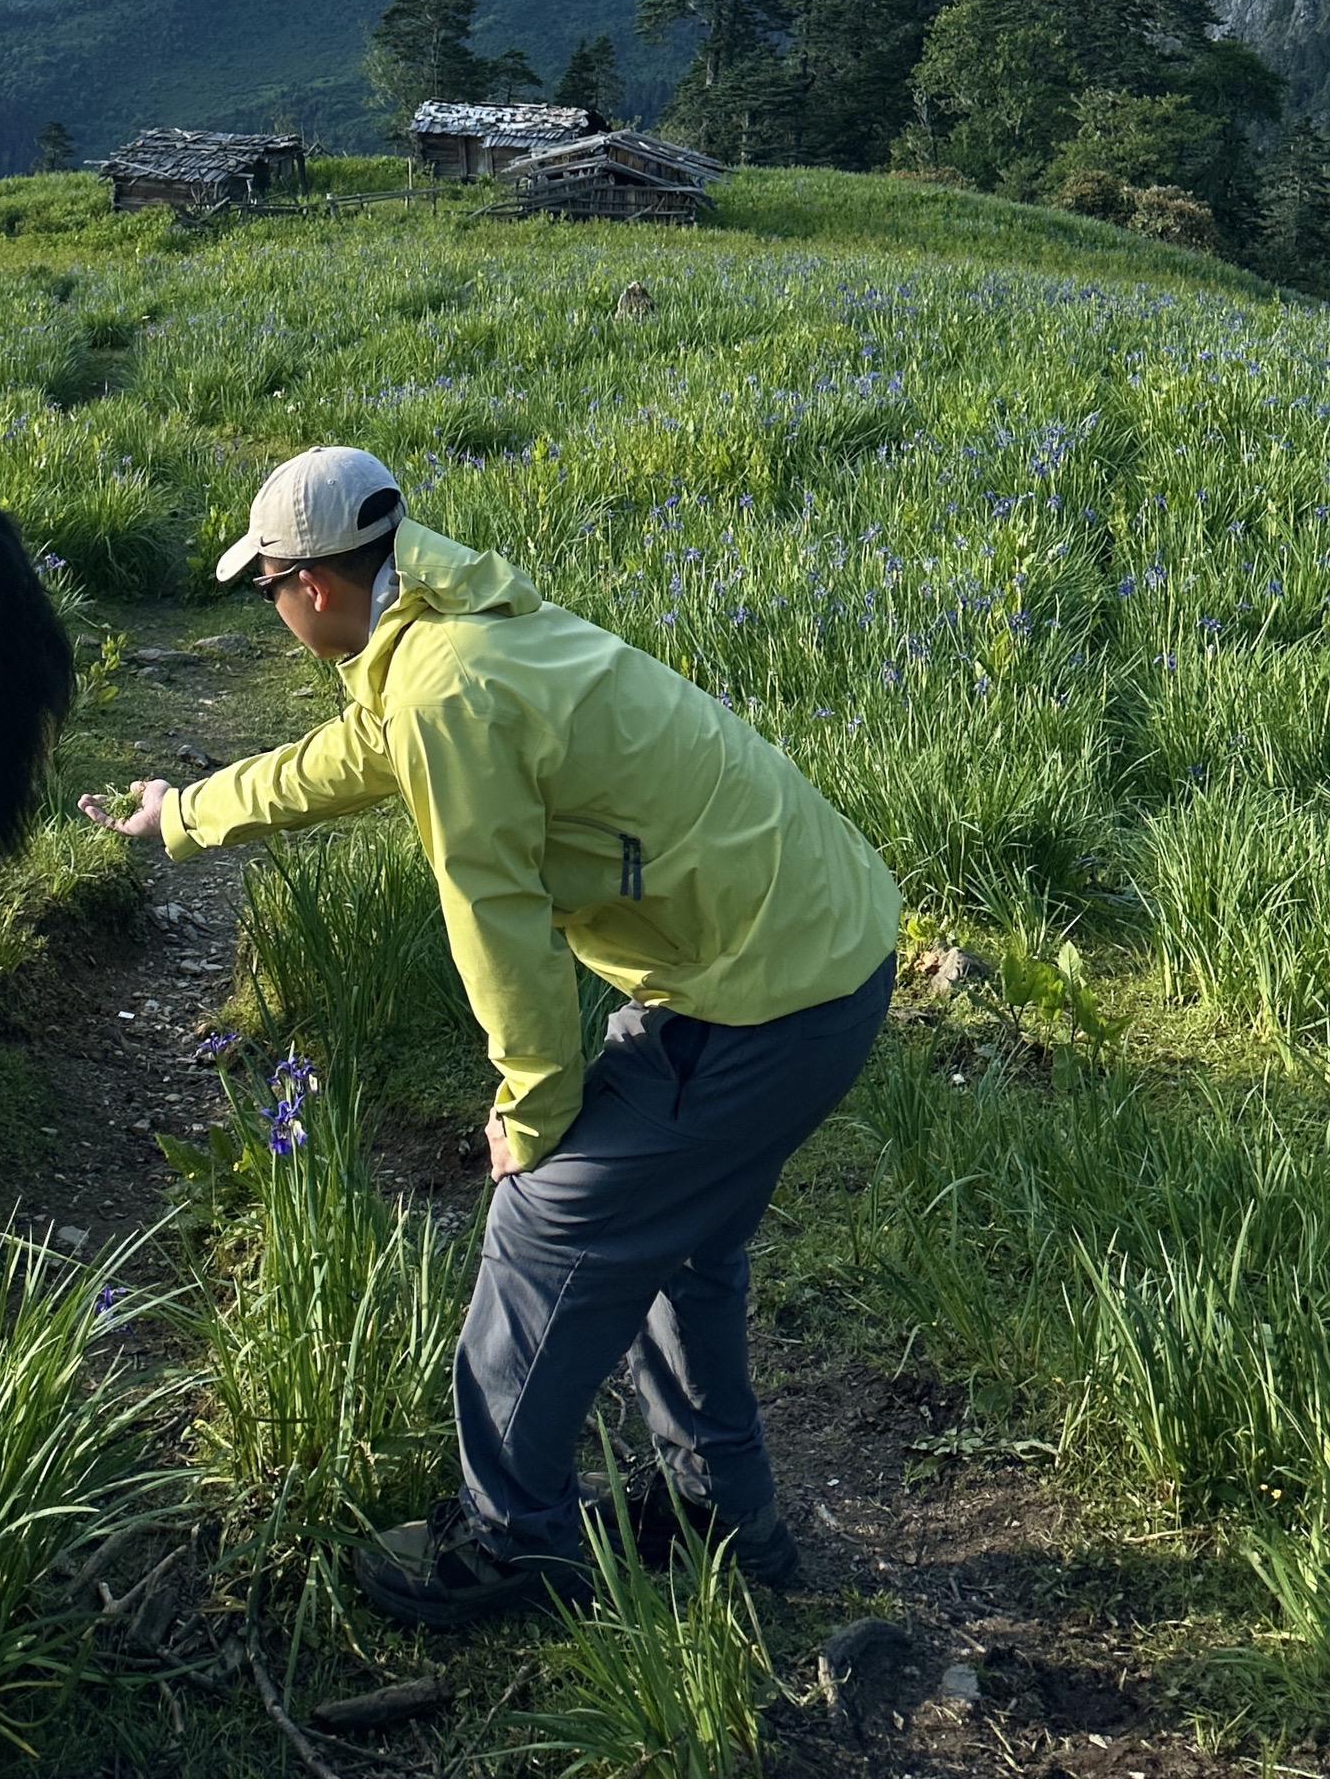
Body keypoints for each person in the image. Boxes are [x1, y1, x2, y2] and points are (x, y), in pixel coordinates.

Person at [81, 445, 899, 1632]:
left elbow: (499, 924)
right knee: (676, 1242)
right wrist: (188, 813)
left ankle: (512, 1543)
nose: (271, 610)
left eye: (265, 589)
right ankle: (723, 1516)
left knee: (547, 1221)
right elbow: (359, 755)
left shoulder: (443, 687)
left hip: (761, 991)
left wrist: (532, 1111)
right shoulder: (450, 616)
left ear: (311, 585)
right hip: (814, 948)